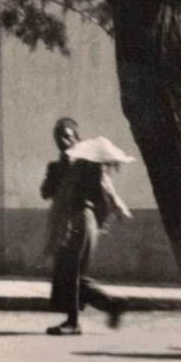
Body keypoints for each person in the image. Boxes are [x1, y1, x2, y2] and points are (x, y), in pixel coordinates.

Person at [44, 118, 133, 335]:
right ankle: (112, 305)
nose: (62, 140)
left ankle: (73, 323)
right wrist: (55, 176)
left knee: (71, 270)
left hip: (81, 219)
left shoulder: (88, 164)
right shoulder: (56, 167)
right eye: (58, 136)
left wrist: (119, 208)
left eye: (67, 135)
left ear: (76, 138)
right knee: (69, 272)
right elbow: (46, 192)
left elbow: (106, 187)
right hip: (63, 220)